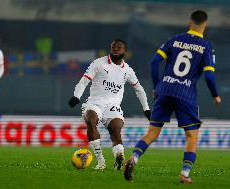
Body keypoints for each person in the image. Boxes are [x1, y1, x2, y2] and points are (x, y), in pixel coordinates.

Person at [124, 10, 222, 183]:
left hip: (166, 90)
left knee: (152, 132)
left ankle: (134, 158)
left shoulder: (174, 39)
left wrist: (157, 87)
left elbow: (154, 62)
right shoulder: (206, 46)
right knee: (192, 135)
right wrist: (215, 95)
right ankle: (184, 174)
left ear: (189, 22)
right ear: (205, 25)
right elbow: (209, 75)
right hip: (186, 94)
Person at [68, 39, 150, 170]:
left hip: (113, 106)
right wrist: (76, 96)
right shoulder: (99, 63)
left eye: (119, 47)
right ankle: (101, 161)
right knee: (91, 119)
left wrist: (146, 109)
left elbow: (138, 89)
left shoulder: (128, 70)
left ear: (125, 51)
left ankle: (119, 155)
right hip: (95, 102)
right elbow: (84, 81)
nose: (115, 49)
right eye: (113, 47)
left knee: (115, 130)